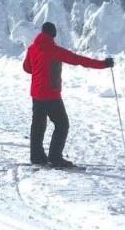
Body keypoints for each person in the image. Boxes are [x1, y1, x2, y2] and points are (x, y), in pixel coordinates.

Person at [23, 22, 112, 170]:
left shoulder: (32, 49)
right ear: (53, 35)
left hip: (36, 95)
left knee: (38, 126)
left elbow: (27, 68)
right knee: (62, 125)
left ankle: (36, 157)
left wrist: (39, 68)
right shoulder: (55, 50)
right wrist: (103, 64)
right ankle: (55, 158)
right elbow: (79, 60)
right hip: (51, 95)